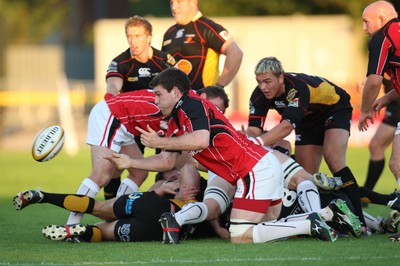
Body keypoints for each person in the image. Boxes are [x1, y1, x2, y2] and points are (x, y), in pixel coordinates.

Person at [106, 67, 351, 244]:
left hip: (255, 169)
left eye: (158, 94)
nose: (155, 100)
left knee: (239, 236)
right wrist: (131, 162)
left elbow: (201, 139)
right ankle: (325, 215)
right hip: (255, 170)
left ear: (175, 93)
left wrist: (159, 141)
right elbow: (167, 161)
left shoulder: (192, 105)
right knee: (266, 224)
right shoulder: (176, 121)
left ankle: (311, 223)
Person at [245, 56, 366, 229]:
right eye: (259, 81)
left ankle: (361, 222)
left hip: (335, 109)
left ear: (281, 78)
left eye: (267, 81)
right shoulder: (259, 95)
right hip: (307, 120)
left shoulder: (296, 88)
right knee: (304, 176)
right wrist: (250, 141)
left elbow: (287, 127)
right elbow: (254, 130)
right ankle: (333, 215)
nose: (263, 87)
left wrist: (256, 142)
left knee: (333, 159)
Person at [103, 15, 175, 199]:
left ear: (149, 37)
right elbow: (112, 86)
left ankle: (162, 209)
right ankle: (113, 209)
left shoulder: (165, 60)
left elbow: (178, 90)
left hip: (162, 124)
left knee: (169, 169)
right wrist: (112, 95)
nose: (132, 41)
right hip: (133, 125)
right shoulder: (120, 62)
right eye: (129, 36)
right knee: (117, 168)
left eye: (137, 36)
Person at [66, 89, 163, 226]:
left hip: (125, 121)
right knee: (101, 175)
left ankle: (117, 217)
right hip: (111, 114)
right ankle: (71, 226)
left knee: (139, 173)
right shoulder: (187, 106)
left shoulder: (188, 103)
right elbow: (167, 161)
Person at [12, 180, 207, 243]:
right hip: (160, 229)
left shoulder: (190, 181)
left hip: (152, 203)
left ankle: (42, 196)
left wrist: (164, 186)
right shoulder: (215, 206)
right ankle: (81, 231)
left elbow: (186, 170)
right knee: (104, 231)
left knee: (97, 207)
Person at [358, 1, 400, 188]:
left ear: (381, 19)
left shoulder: (382, 37)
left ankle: (365, 195)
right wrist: (388, 97)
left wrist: (364, 111)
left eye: (366, 22)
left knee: (397, 164)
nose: (363, 27)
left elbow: (374, 81)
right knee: (396, 164)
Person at [162, 0, 243, 90]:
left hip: (202, 99)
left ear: (193, 2)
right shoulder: (169, 33)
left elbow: (236, 53)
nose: (174, 7)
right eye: (171, 3)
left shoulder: (207, 27)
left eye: (179, 2)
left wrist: (218, 87)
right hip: (176, 100)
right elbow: (162, 65)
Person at [362, 77, 400, 192]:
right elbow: (376, 77)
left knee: (395, 162)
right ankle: (366, 193)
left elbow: (375, 79)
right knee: (379, 149)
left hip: (396, 104)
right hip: (393, 100)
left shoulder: (385, 59)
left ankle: (366, 193)